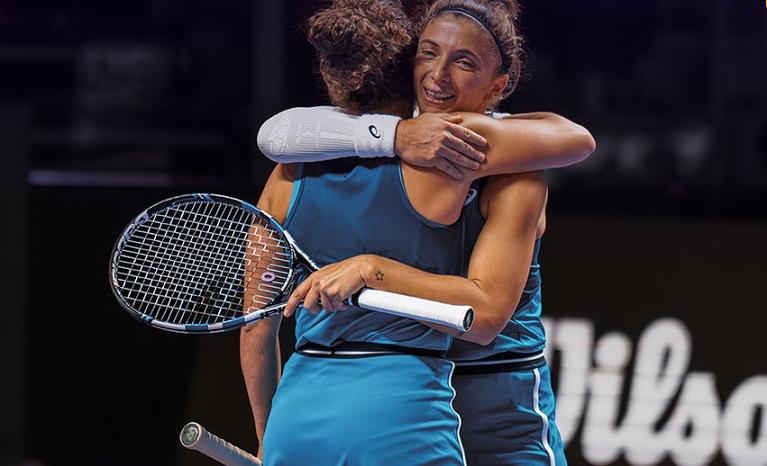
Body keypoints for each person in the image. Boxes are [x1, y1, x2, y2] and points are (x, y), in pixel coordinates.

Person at [243, 0, 594, 464]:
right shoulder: (397, 143)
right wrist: (393, 135)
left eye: (464, 62)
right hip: (415, 394)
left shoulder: (510, 166)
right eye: (428, 54)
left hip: (498, 398)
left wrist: (372, 271)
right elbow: (276, 133)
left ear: (498, 86)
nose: (438, 76)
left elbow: (578, 140)